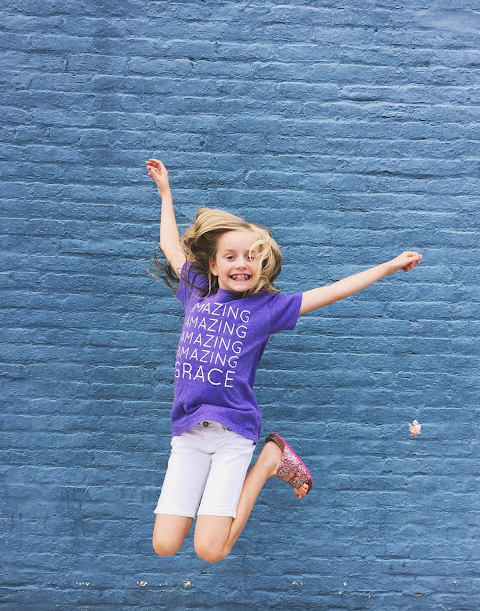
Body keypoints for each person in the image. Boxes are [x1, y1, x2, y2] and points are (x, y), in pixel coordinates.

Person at [146, 158, 422, 563]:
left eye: (250, 257)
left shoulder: (267, 309)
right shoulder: (196, 293)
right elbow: (171, 247)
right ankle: (265, 462)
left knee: (210, 550)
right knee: (165, 545)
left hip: (233, 432)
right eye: (230, 256)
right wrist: (165, 193)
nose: (241, 263)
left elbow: (333, 290)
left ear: (260, 267)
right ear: (214, 265)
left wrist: (387, 266)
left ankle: (269, 460)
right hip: (188, 432)